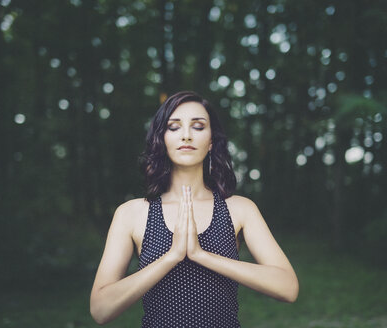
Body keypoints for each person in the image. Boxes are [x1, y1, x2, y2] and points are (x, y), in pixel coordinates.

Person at [90, 91, 299, 327]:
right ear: (162, 138)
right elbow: (100, 310)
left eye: (198, 126)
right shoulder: (132, 214)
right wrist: (172, 257)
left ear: (210, 142)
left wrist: (202, 255)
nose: (187, 136)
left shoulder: (240, 209)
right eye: (174, 127)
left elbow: (288, 287)